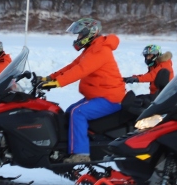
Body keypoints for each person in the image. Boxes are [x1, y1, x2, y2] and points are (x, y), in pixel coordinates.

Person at [39, 18, 124, 164]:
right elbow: (73, 66)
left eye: (79, 35)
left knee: (77, 113)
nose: (77, 38)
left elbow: (80, 70)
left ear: (89, 33)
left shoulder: (100, 50)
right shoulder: (92, 48)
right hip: (97, 95)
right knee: (67, 112)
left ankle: (81, 154)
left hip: (110, 97)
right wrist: (49, 77)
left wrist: (58, 83)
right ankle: (67, 147)